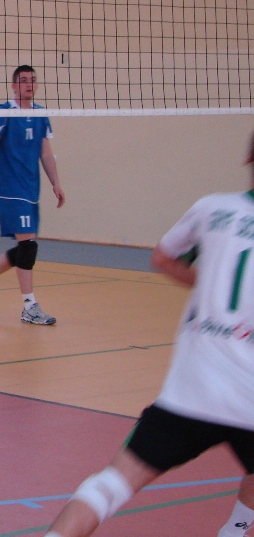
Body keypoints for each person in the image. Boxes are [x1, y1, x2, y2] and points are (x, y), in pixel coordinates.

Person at [43, 134, 254, 537]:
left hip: (189, 396)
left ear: (247, 157)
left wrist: (210, 286)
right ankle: (234, 531)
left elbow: (162, 257)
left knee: (111, 484)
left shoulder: (212, 209)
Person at [0, 65, 66, 325]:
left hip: (31, 189)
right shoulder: (4, 112)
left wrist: (56, 183)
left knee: (25, 247)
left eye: (32, 80)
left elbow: (45, 152)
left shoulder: (41, 113)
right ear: (14, 86)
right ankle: (29, 306)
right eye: (23, 80)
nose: (29, 84)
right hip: (9, 188)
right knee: (28, 246)